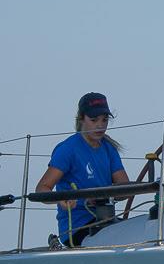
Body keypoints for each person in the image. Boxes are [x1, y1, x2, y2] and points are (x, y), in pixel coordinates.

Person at [35, 93, 129, 247]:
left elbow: (125, 187)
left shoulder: (109, 148)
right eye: (94, 120)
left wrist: (105, 197)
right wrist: (61, 198)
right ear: (81, 119)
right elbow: (41, 189)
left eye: (104, 120)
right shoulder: (68, 150)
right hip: (76, 229)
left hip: (105, 221)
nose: (100, 125)